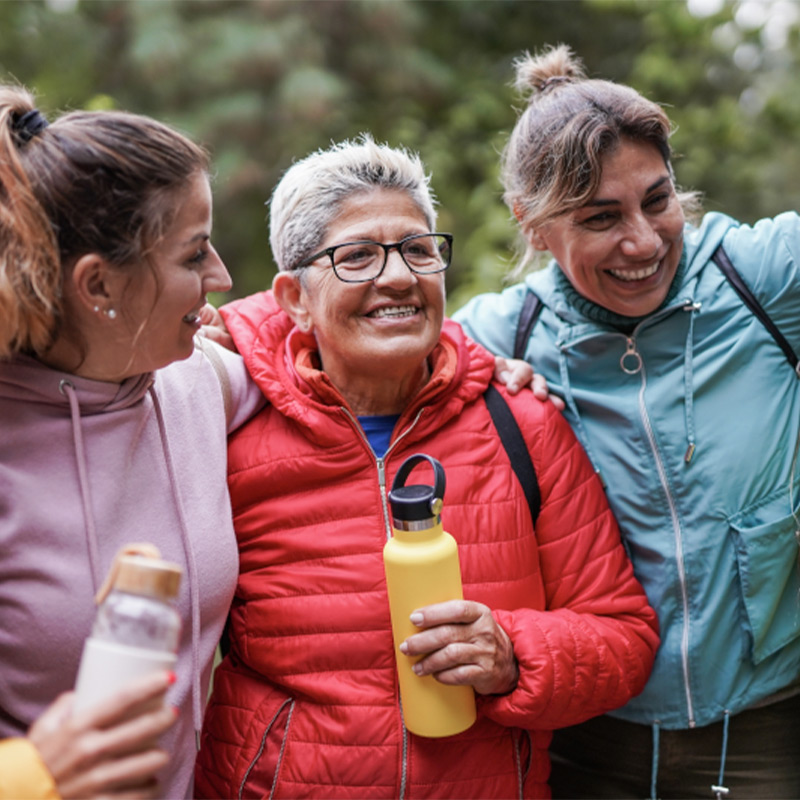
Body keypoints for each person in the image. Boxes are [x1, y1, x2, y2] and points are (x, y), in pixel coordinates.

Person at [193, 134, 659, 799]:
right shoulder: (226, 431)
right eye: (356, 257)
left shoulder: (522, 422)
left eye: (417, 249)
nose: (398, 277)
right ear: (293, 298)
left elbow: (624, 637)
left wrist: (512, 654)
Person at [454, 44, 800, 799]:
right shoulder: (496, 339)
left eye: (658, 199)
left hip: (769, 728)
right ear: (532, 224)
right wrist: (220, 338)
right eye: (601, 218)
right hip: (590, 738)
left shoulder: (763, 280)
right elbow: (330, 338)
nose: (643, 241)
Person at [0, 87, 264, 798]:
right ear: (99, 285)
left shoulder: (198, 383)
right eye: (194, 255)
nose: (222, 280)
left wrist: (494, 365)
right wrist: (27, 776)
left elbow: (315, 340)